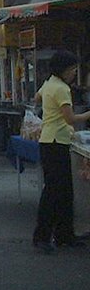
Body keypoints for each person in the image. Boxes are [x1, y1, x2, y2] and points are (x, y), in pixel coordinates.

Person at [32, 50, 90, 253]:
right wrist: (88, 114)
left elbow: (37, 97)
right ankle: (43, 236)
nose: (74, 73)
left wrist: (49, 112)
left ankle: (65, 234)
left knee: (64, 191)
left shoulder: (49, 84)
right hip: (56, 142)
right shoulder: (62, 89)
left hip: (51, 140)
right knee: (54, 192)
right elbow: (70, 118)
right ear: (64, 69)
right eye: (73, 69)